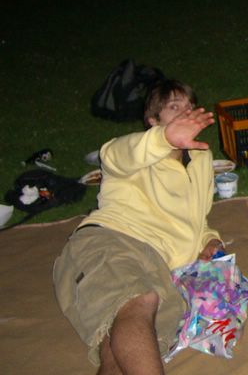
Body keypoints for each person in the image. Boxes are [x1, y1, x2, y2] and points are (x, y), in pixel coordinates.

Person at [53, 80, 224, 374]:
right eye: (174, 107)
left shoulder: (201, 159)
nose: (185, 112)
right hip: (113, 241)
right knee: (138, 300)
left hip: (161, 267)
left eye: (189, 106)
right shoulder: (136, 153)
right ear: (153, 121)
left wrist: (210, 240)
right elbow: (112, 155)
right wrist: (164, 139)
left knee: (125, 343)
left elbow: (198, 217)